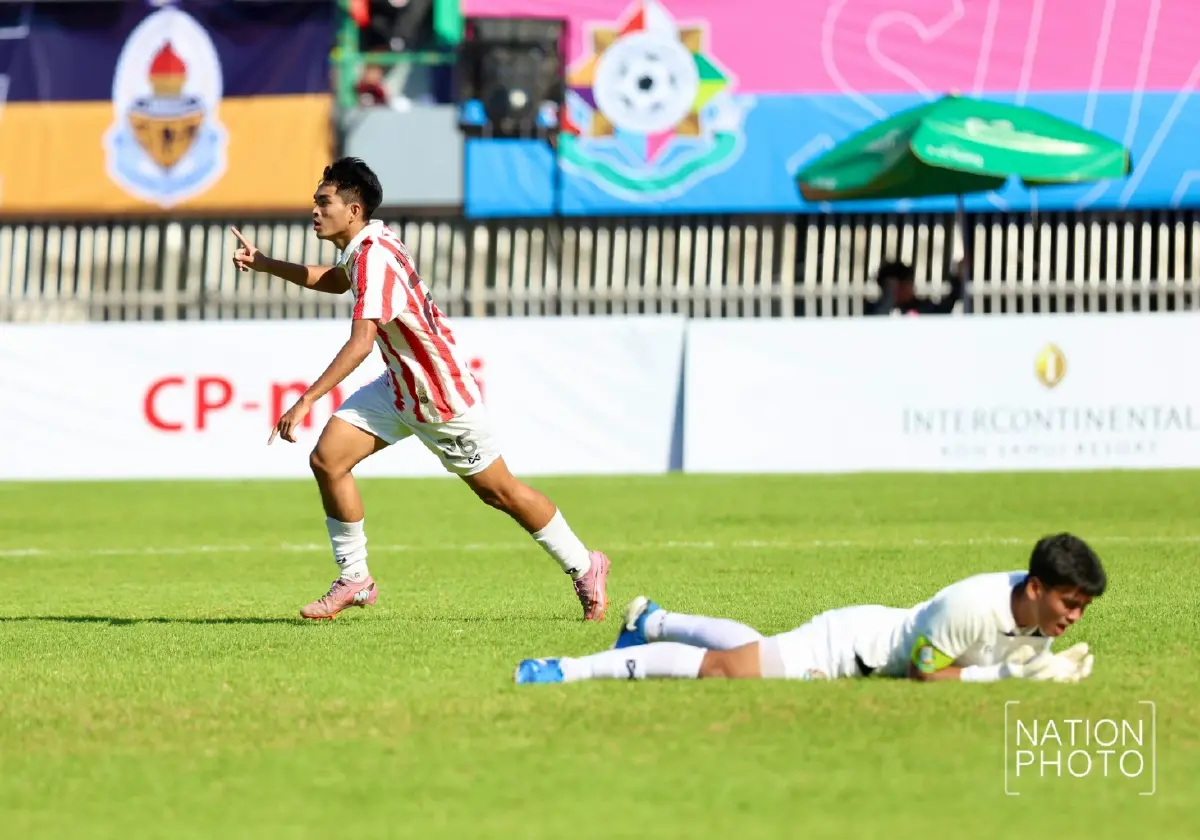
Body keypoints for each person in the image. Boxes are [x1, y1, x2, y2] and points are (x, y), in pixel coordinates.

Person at [230, 157, 610, 621]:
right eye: (315, 200)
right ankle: (355, 579)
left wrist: (307, 399)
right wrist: (266, 264)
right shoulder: (365, 245)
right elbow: (336, 281)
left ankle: (585, 565)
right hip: (399, 387)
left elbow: (361, 343)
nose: (315, 209)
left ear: (353, 210)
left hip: (439, 396)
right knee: (328, 460)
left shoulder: (375, 256)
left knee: (500, 493)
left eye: (324, 202)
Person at [514, 533, 1103, 685]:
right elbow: (925, 674)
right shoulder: (972, 604)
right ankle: (565, 669)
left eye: (1082, 607)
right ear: (1034, 587)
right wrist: (1006, 678)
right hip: (843, 648)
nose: (1074, 616)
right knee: (723, 670)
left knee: (749, 645)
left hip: (863, 639)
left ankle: (650, 622)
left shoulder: (1038, 618)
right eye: (1069, 602)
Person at [866, 257, 966, 316]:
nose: (911, 286)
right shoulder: (873, 311)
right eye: (907, 282)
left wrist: (958, 279)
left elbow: (945, 308)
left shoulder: (923, 308)